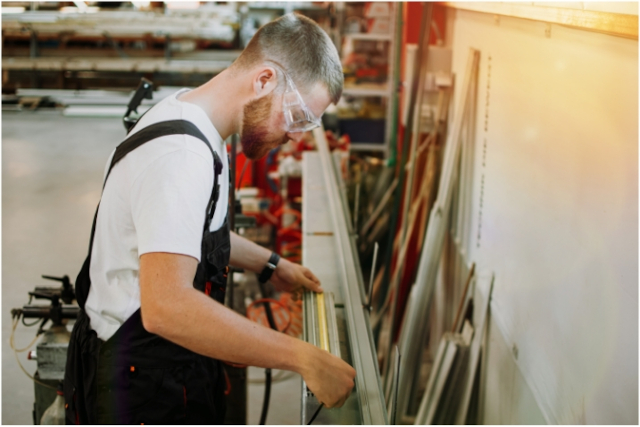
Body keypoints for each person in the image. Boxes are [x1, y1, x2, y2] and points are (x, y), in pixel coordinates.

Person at [64, 12, 356, 424]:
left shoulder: (200, 121)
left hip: (164, 367)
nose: (295, 136)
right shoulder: (182, 155)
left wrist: (273, 264)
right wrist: (304, 358)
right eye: (298, 118)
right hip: (136, 387)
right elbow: (166, 307)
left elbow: (189, 234)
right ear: (264, 80)